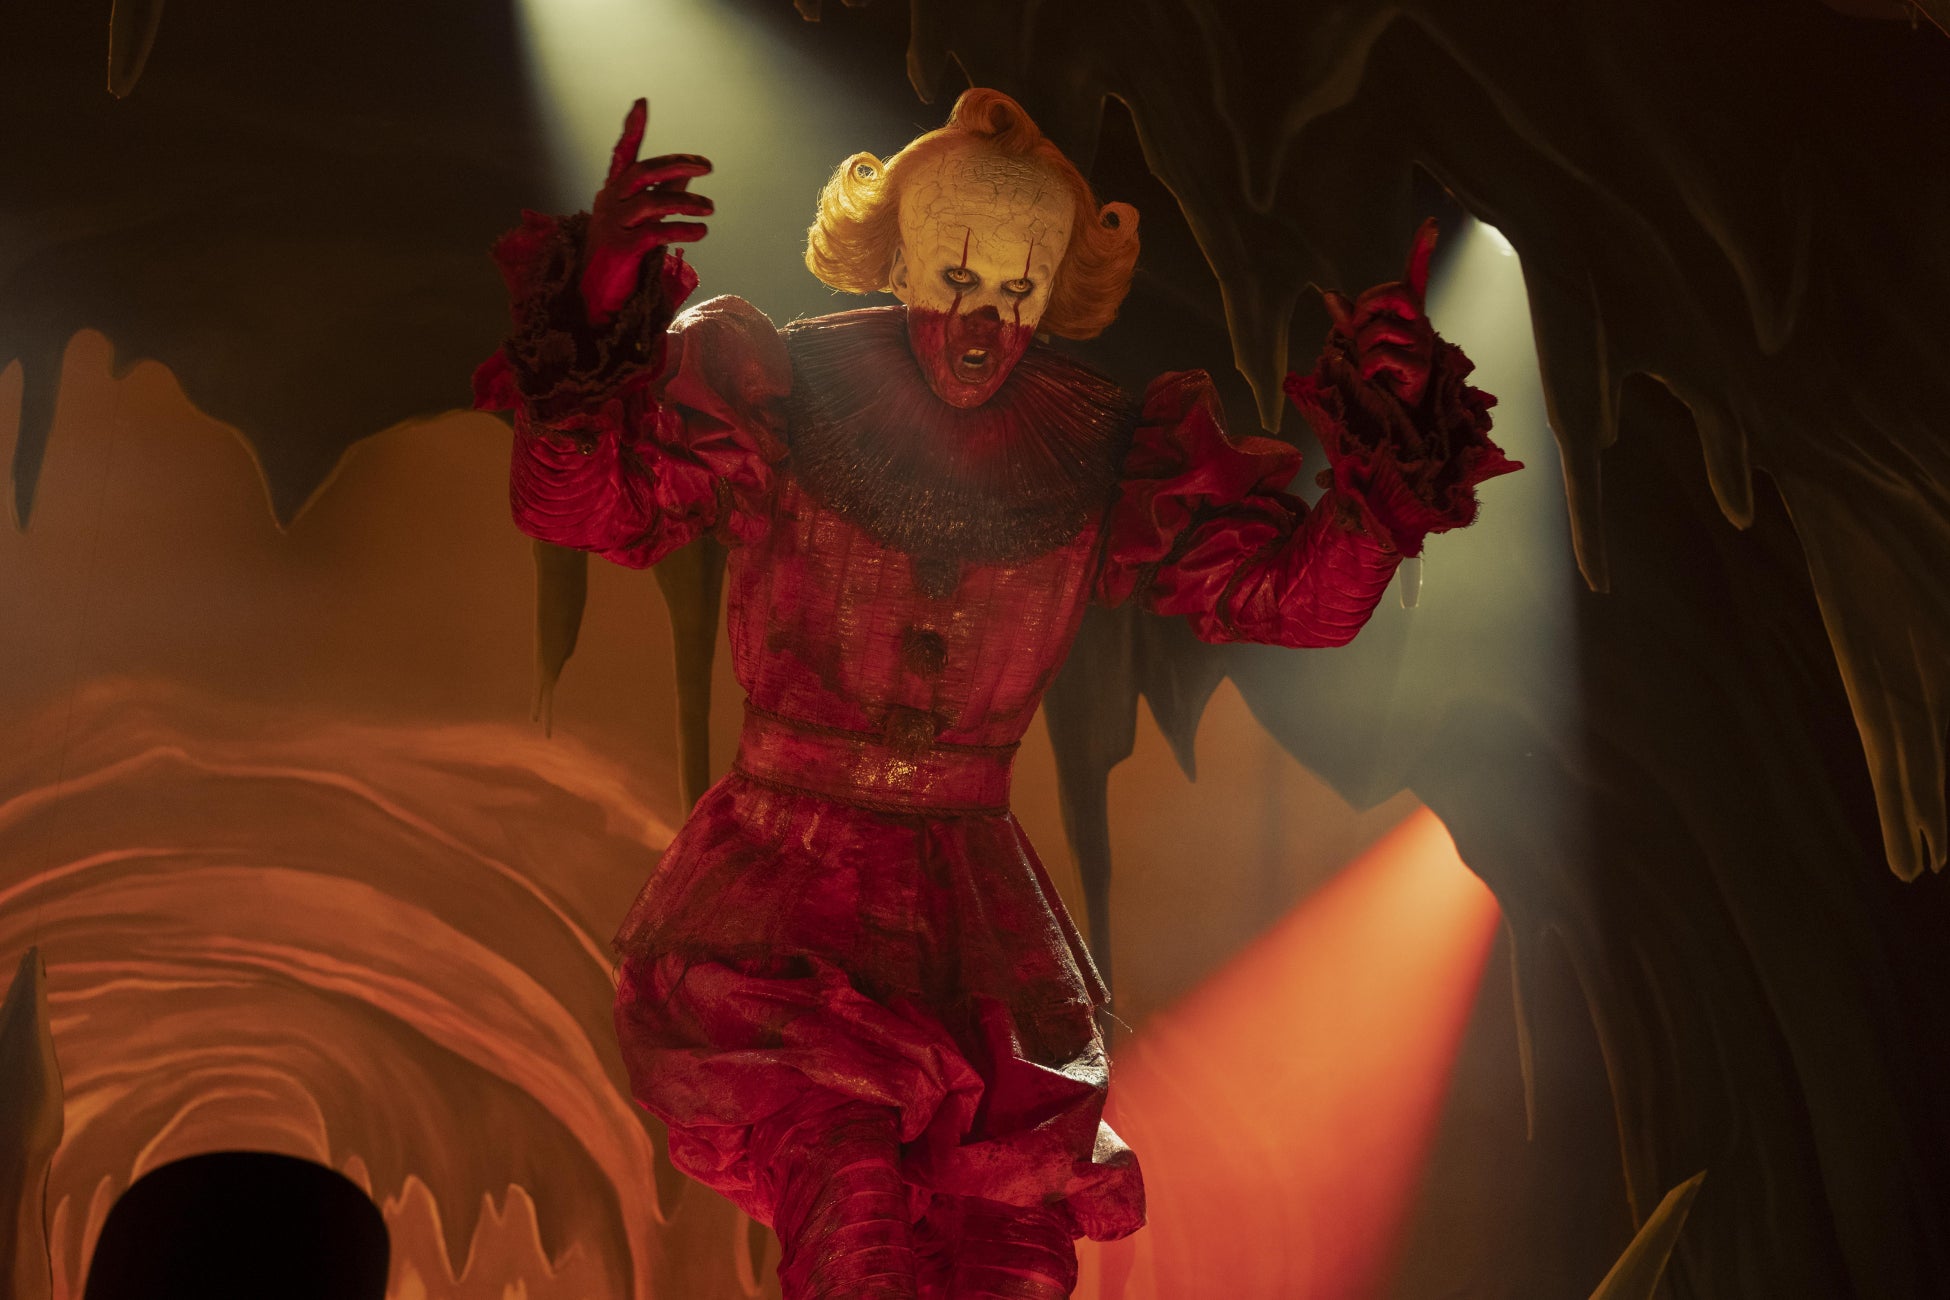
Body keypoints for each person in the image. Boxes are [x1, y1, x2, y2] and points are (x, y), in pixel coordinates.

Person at [473, 87, 1516, 1300]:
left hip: (971, 913)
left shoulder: (1102, 440)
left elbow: (1296, 604)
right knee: (852, 1222)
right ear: (896, 259)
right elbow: (581, 507)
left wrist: (1392, 449)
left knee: (1012, 1255)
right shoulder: (780, 385)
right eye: (958, 275)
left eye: (1020, 288)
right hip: (787, 892)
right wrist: (589, 327)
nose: (984, 321)